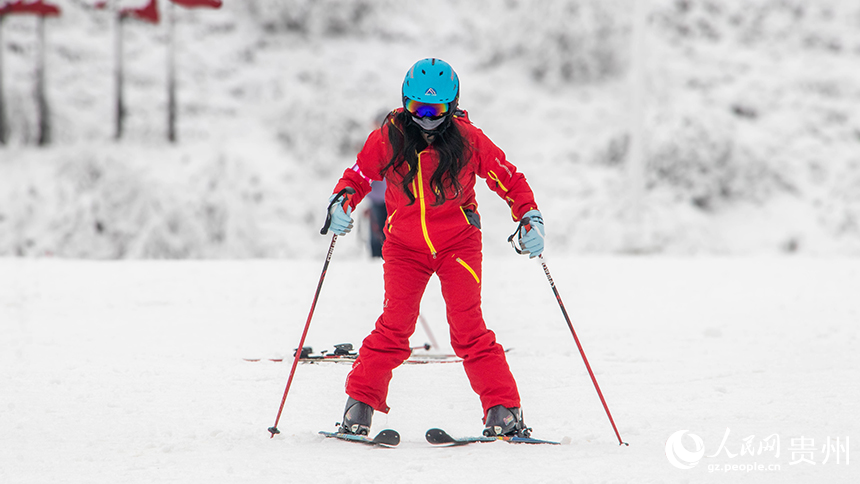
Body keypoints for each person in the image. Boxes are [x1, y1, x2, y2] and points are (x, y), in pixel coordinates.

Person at [324, 58, 545, 438]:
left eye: (436, 110)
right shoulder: (388, 138)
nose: (426, 119)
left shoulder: (469, 139)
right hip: (404, 247)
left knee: (468, 329)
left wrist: (529, 216)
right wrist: (340, 201)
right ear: (405, 103)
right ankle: (358, 406)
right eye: (418, 108)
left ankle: (504, 409)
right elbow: (358, 176)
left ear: (452, 105)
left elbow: (508, 178)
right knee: (394, 327)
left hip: (458, 244)